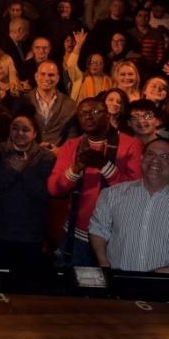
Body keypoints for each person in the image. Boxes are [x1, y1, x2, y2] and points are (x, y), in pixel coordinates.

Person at [47, 97, 143, 266]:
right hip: (77, 234)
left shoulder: (130, 144)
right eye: (83, 113)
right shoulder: (72, 146)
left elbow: (135, 192)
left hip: (114, 235)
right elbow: (54, 189)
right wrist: (76, 168)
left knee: (111, 289)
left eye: (95, 112)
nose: (88, 117)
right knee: (70, 288)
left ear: (107, 115)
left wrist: (105, 166)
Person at [89, 139, 169, 275]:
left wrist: (153, 277)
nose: (155, 160)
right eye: (150, 154)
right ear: (141, 159)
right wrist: (103, 262)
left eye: (165, 157)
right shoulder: (112, 195)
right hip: (118, 287)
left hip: (165, 289)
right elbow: (98, 229)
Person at [0, 115, 55, 272]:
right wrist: (14, 171)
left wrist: (23, 171)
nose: (19, 133)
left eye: (25, 129)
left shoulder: (46, 157)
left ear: (35, 133)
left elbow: (43, 194)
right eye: (15, 128)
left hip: (30, 233)